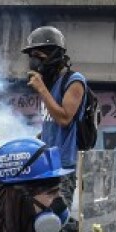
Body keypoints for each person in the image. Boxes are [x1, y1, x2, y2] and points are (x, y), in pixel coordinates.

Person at [23, 26, 86, 210]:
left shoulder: (74, 80)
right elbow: (52, 121)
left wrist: (42, 89)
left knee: (58, 220)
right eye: (31, 55)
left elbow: (65, 119)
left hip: (63, 165)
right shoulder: (50, 84)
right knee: (40, 217)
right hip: (46, 162)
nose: (34, 60)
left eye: (38, 54)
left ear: (53, 53)